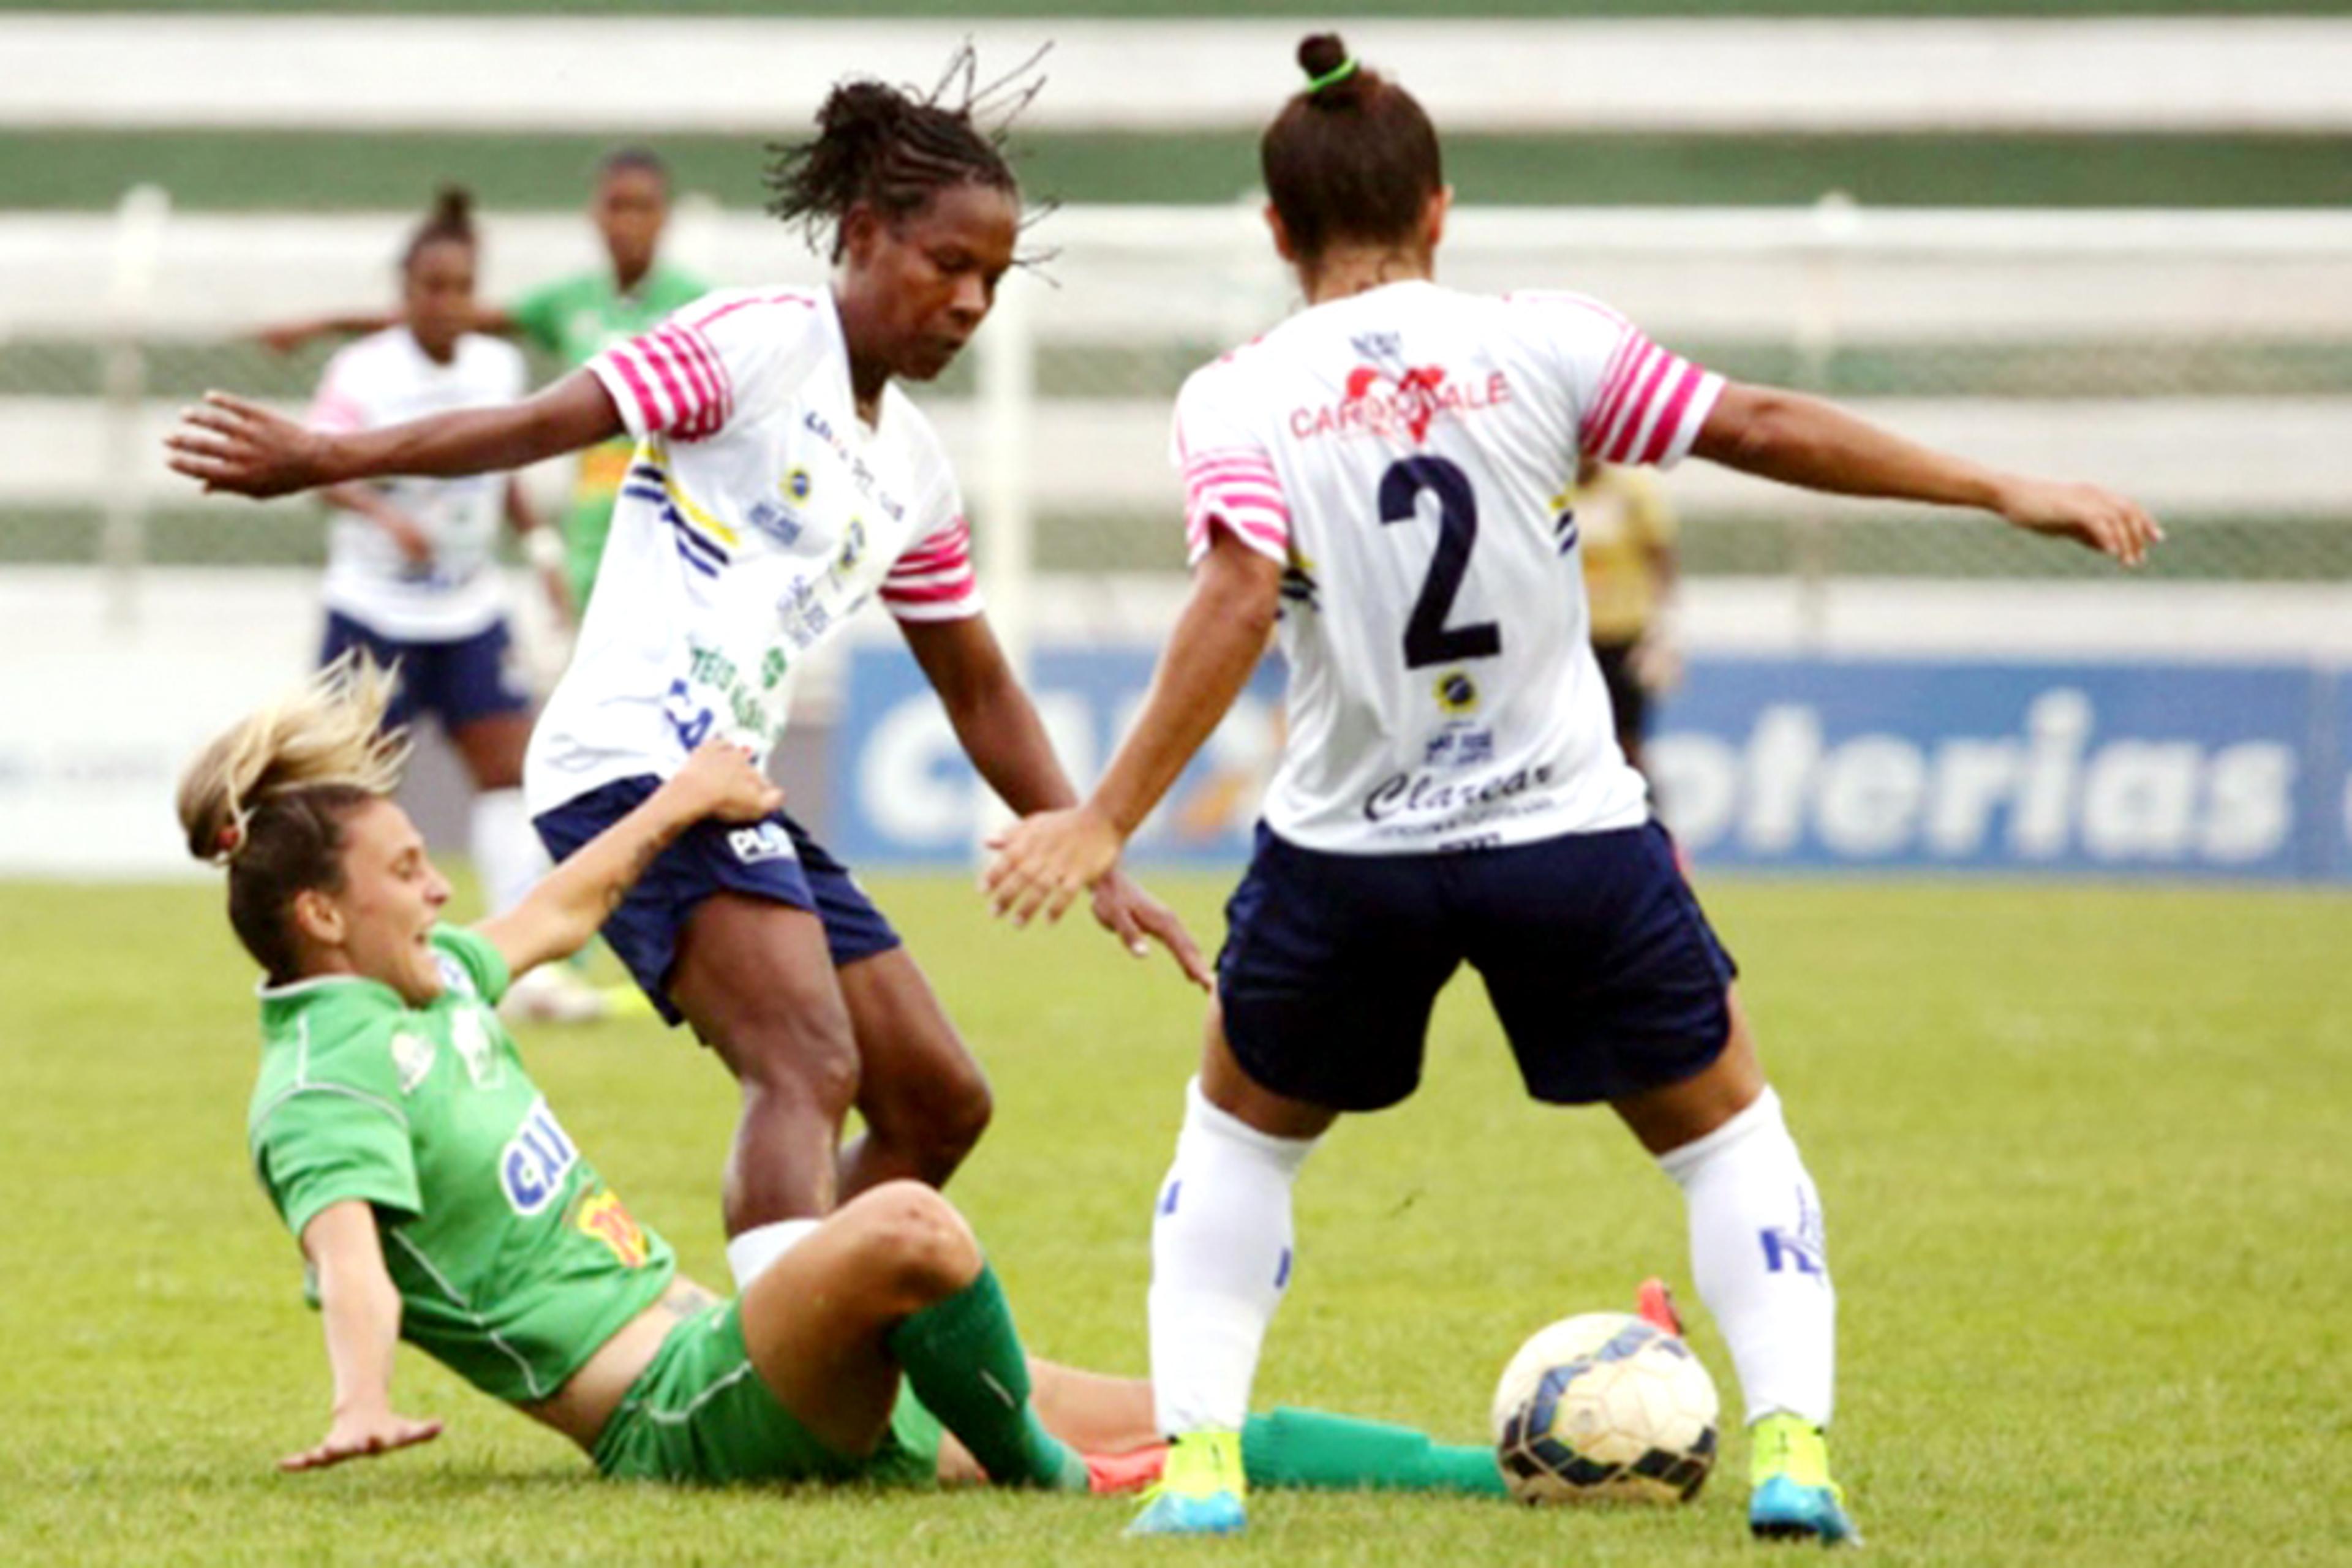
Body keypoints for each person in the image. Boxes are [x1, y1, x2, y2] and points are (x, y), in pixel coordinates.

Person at [981, 35, 2161, 1545]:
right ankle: (1794, 1451)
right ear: (1440, 210)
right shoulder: (1542, 341)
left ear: (1275, 230)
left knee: (1237, 1136)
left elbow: (1230, 590)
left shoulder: (1240, 393)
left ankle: (1201, 1469)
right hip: (1566, 834)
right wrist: (1999, 485)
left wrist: (1104, 816)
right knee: (1727, 1130)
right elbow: (1760, 426)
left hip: (1350, 854)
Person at [166, 59, 1206, 1296]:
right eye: (949, 264)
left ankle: (796, 1323)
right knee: (807, 1062)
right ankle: (777, 1373)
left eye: (992, 276)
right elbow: (547, 421)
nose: (973, 299)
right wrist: (328, 456)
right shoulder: (756, 344)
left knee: (939, 1100)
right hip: (625, 763)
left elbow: (977, 686)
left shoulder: (916, 471)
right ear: (864, 236)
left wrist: (1095, 843)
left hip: (728, 786)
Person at [183, 657, 1506, 1501]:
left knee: (1196, 1418)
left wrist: (684, 796)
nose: (436, 882)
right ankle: (1058, 1483)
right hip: (675, 1407)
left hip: (729, 1344)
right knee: (908, 1227)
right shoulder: (318, 1083)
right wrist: (362, 1402)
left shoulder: (435, 980)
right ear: (319, 916)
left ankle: (1516, 1472)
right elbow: (349, 1260)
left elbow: (565, 907)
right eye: (407, 867)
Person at [300, 184, 594, 1023]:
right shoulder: (363, 370)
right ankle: (351, 963)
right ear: (405, 293)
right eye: (432, 287)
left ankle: (523, 968)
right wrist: (384, 511)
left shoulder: (496, 369)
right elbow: (320, 467)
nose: (447, 303)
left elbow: (502, 473)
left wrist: (539, 553)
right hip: (373, 611)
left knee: (509, 773)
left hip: (466, 608)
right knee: (349, 792)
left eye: (462, 287)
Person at [265, 149, 712, 611]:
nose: (628, 224)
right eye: (617, 206)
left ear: (665, 217)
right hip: (593, 523)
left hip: (676, 520)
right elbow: (448, 315)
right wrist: (325, 324)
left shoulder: (701, 304)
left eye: (643, 207)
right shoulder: (571, 301)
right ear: (594, 215)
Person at [1571, 454, 1680, 779]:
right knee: (1574, 741)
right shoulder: (1552, 490)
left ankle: (1651, 819)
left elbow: (1660, 556)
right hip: (1570, 639)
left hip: (1623, 633)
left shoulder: (1631, 491)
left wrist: (1665, 627)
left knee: (1627, 741)